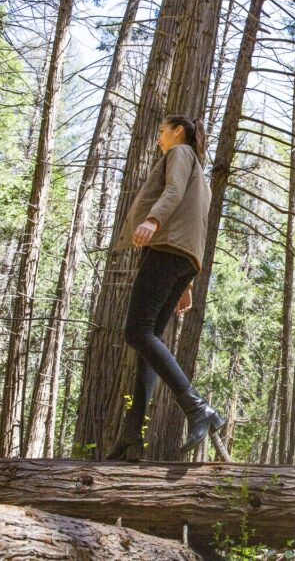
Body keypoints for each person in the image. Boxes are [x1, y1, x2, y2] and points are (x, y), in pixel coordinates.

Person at [105, 114, 224, 461]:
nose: (158, 138)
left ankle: (197, 407)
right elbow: (197, 222)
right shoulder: (200, 174)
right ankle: (132, 436)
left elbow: (171, 191)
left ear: (179, 132)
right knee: (148, 343)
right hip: (184, 257)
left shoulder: (181, 154)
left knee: (137, 332)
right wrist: (186, 280)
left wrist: (154, 218)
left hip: (167, 249)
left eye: (162, 131)